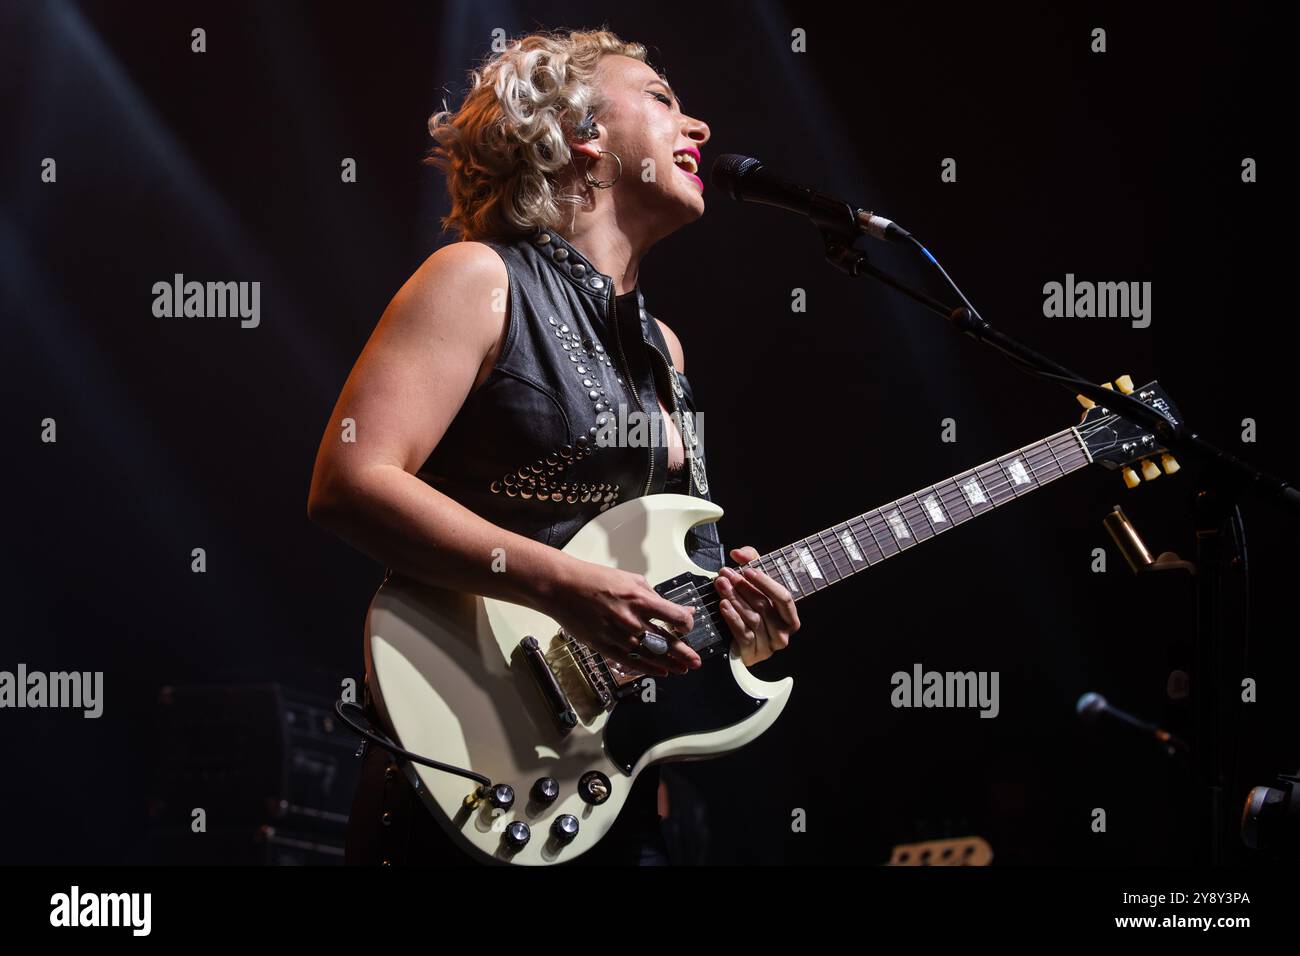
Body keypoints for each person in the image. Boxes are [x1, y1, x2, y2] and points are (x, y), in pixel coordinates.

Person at [307, 27, 800, 865]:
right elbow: (350, 481)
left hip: (604, 790)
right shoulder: (478, 278)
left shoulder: (665, 351)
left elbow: (663, 572)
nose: (700, 129)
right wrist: (564, 584)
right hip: (464, 759)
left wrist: (738, 625)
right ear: (584, 133)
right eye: (662, 98)